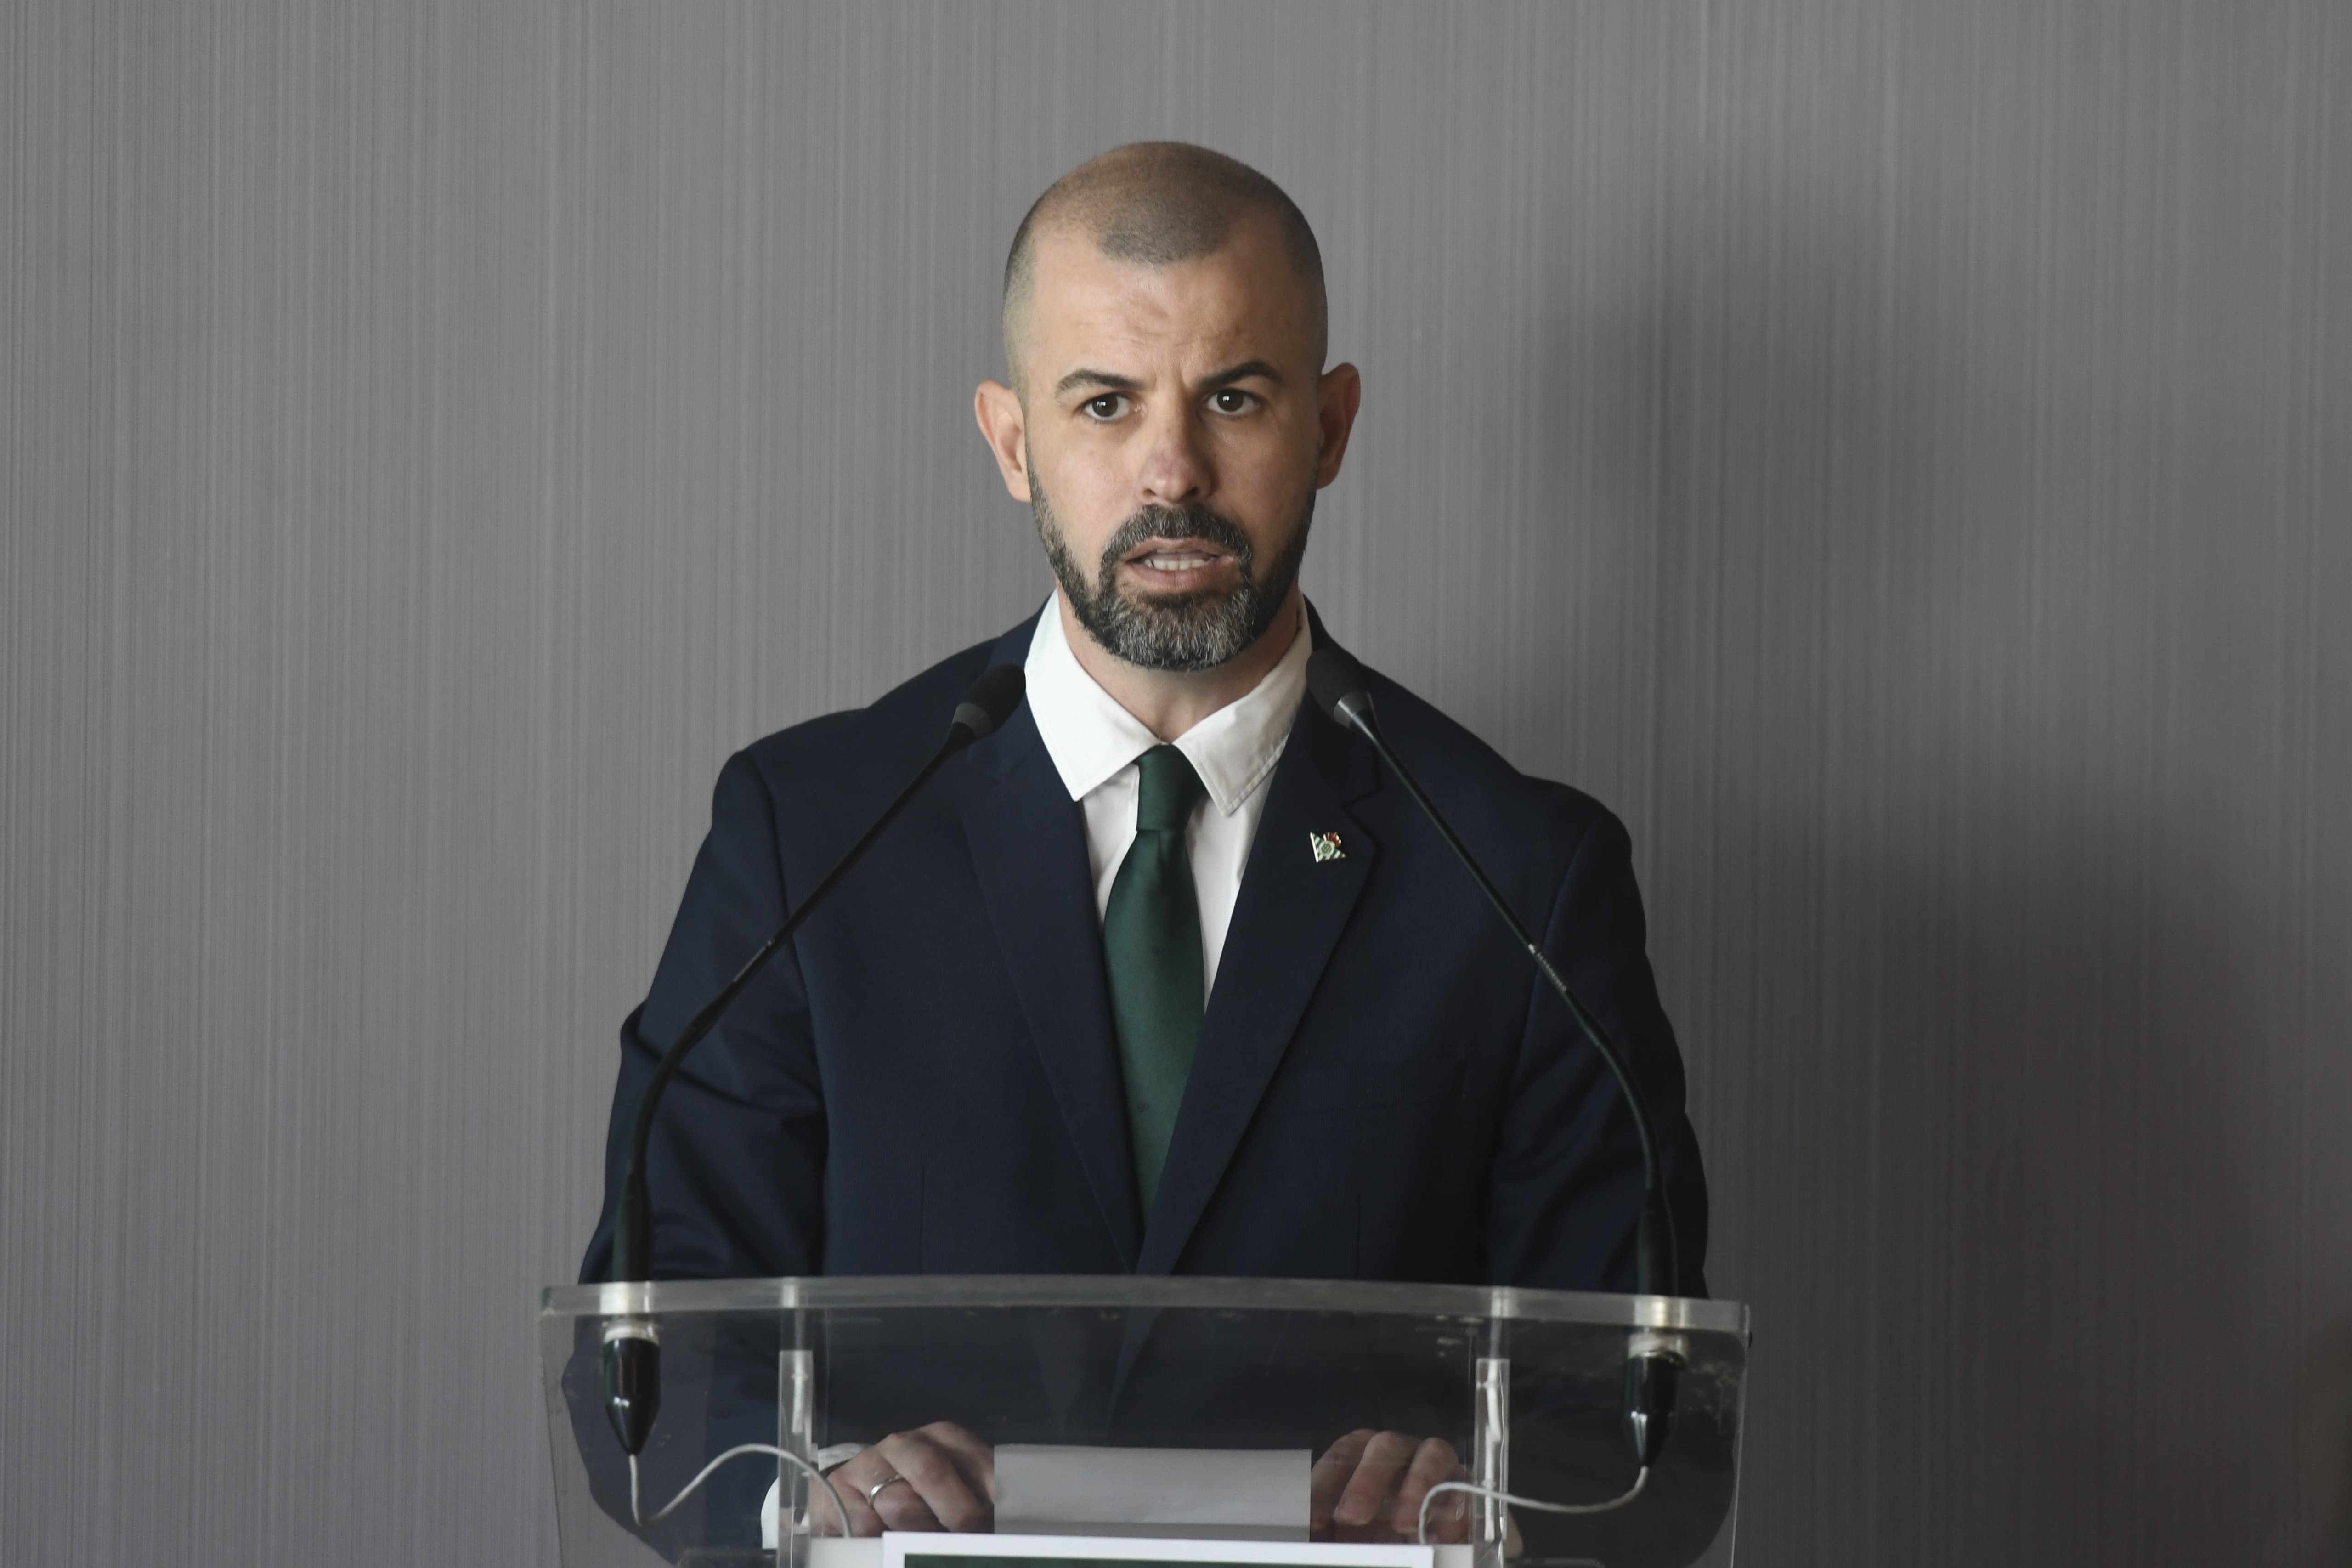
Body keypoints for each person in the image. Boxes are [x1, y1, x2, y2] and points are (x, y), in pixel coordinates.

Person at [580, 141, 1709, 1548]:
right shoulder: (810, 832)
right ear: (1013, 442)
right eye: (1104, 403)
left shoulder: (1522, 871)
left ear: (1331, 427)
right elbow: (652, 1342)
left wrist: (1494, 1507)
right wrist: (797, 1489)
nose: (1172, 471)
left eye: (1234, 396)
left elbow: (1643, 1405)